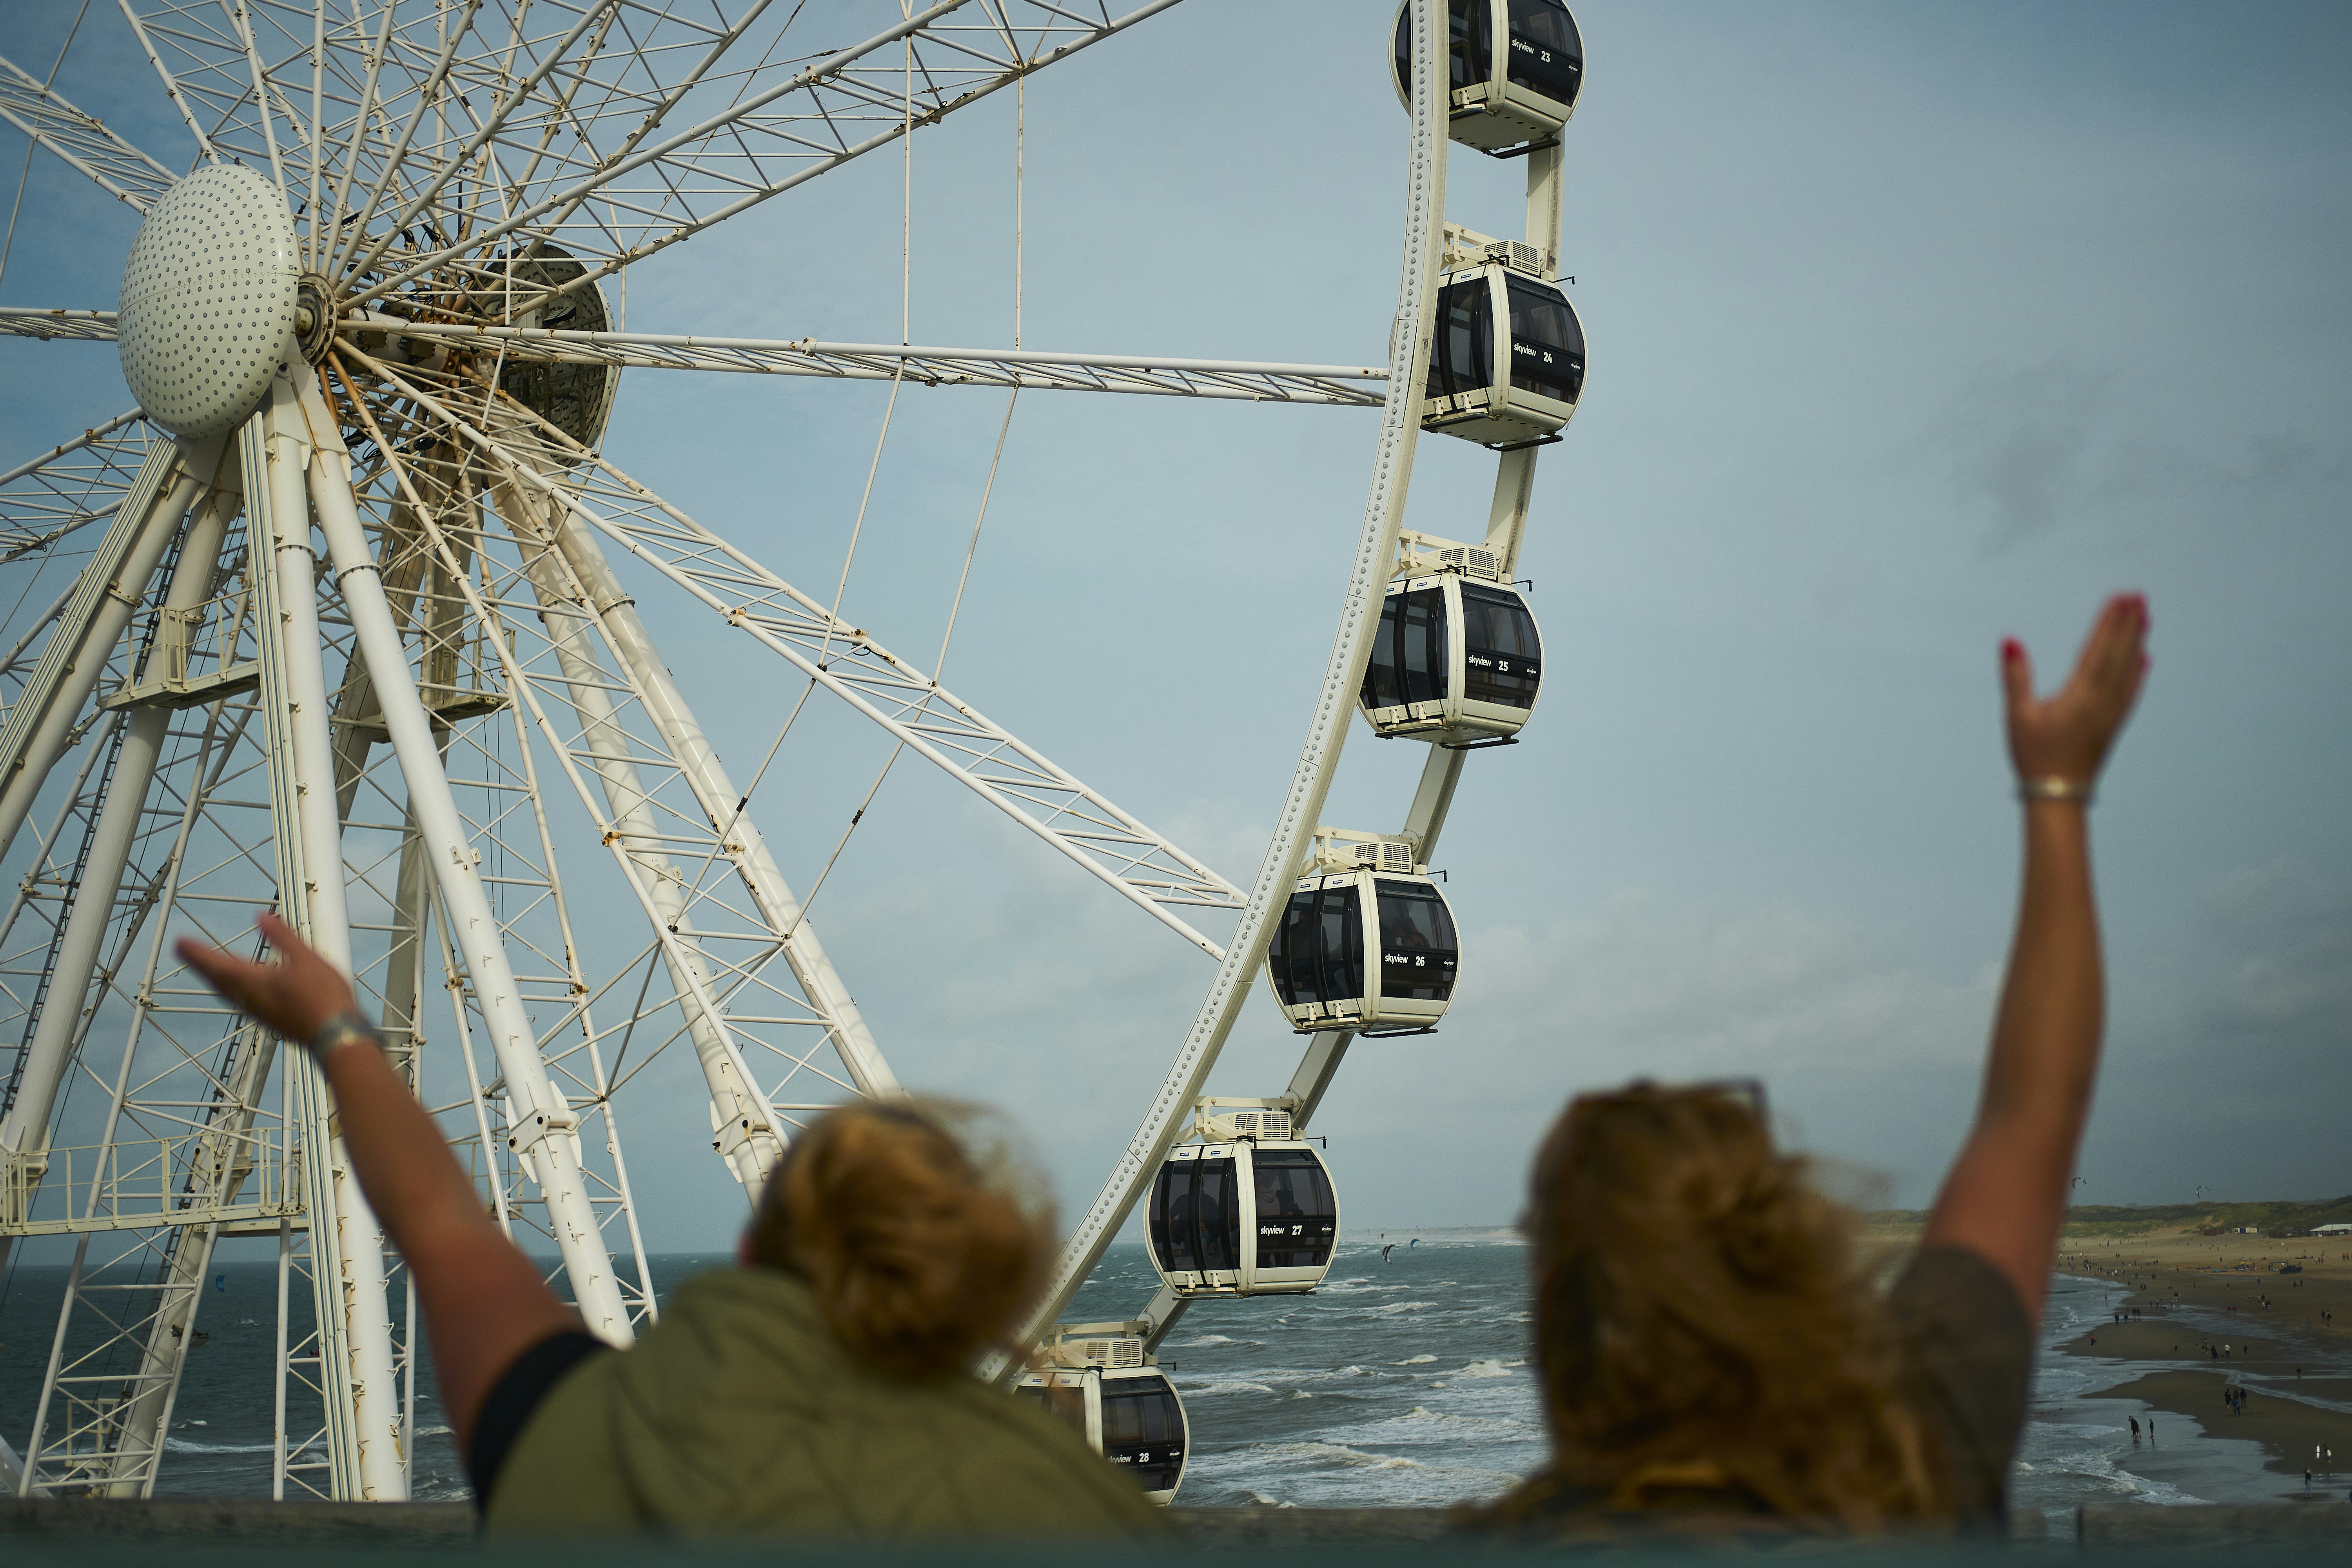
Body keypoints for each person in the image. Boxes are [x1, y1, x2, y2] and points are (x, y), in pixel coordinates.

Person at [1474, 594, 2151, 1542]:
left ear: (1561, 1323)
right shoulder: (1912, 1463)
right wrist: (2058, 789)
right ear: (1781, 1257)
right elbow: (2030, 1117)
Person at [176, 917, 1164, 1540]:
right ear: (986, 1299)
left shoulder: (585, 1434)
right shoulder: (1076, 1514)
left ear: (751, 1247)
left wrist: (339, 1032)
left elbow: (443, 1228)